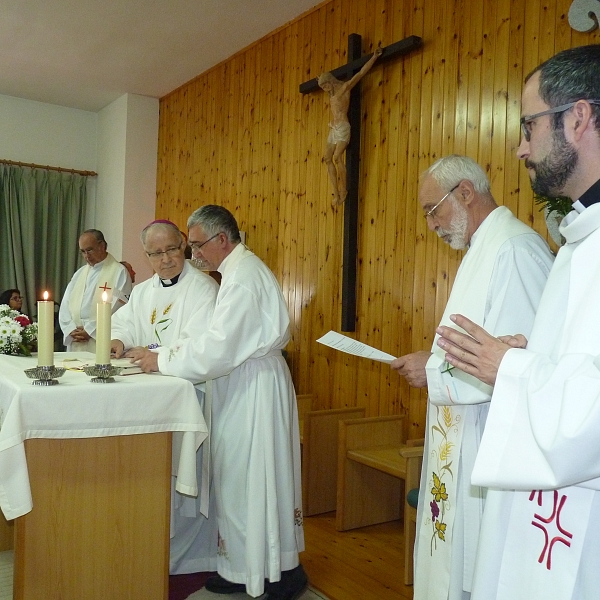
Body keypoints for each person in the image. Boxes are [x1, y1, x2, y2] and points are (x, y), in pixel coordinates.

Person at [435, 45, 600, 600]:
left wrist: (513, 366)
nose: (520, 146)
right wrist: (532, 354)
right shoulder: (583, 239)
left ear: (577, 118)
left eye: (529, 125)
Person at [390, 155, 554, 600]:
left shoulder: (514, 249)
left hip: (487, 438)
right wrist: (432, 361)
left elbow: (514, 362)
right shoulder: (482, 249)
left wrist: (432, 369)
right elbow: (472, 347)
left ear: (464, 192)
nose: (431, 224)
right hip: (461, 436)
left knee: (476, 566)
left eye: (432, 210)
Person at [125, 205, 306, 600]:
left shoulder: (243, 277)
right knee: (239, 482)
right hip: (243, 383)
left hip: (254, 387)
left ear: (221, 239)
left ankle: (275, 573)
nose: (194, 255)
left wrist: (163, 360)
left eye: (195, 245)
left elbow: (218, 348)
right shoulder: (238, 271)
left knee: (253, 479)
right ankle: (242, 567)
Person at [110, 220, 219, 574]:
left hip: (189, 397)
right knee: (152, 479)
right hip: (149, 400)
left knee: (184, 482)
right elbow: (124, 323)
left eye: (171, 249)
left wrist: (155, 353)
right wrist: (118, 341)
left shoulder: (202, 288)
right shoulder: (142, 291)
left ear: (184, 245)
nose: (165, 259)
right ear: (146, 256)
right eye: (156, 253)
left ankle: (190, 559)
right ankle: (149, 549)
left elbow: (199, 342)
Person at [318, 47, 382, 206]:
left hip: (343, 127)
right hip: (333, 127)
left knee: (338, 157)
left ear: (330, 82)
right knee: (327, 158)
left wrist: (374, 57)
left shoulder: (344, 88)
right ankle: (335, 192)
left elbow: (360, 74)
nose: (325, 90)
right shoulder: (331, 93)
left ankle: (343, 189)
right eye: (323, 88)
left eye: (325, 86)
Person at [59, 229, 132, 352]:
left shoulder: (119, 272)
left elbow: (119, 307)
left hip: (101, 339)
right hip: (76, 339)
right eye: (83, 251)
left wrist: (91, 330)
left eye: (90, 250)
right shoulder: (79, 273)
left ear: (102, 246)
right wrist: (70, 329)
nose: (86, 256)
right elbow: (66, 304)